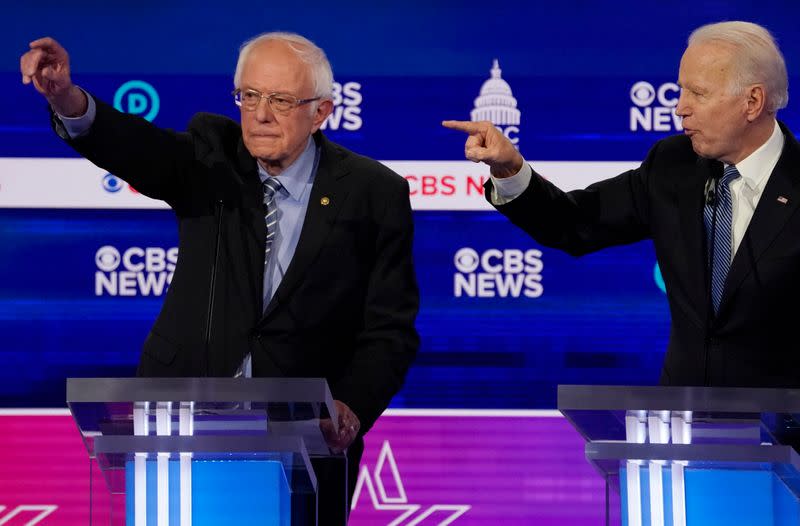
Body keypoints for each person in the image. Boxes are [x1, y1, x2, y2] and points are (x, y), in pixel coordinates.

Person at [21, 32, 419, 523]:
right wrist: (67, 98)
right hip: (180, 424)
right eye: (249, 96)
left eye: (280, 100)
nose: (260, 114)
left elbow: (389, 330)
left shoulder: (372, 192)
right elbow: (135, 147)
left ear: (320, 112)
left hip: (306, 442)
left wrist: (351, 406)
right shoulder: (212, 158)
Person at [444, 21, 800, 387]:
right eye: (681, 90)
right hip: (686, 427)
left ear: (752, 102)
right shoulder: (673, 166)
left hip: (785, 430)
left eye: (698, 93)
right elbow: (574, 223)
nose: (680, 108)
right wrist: (510, 169)